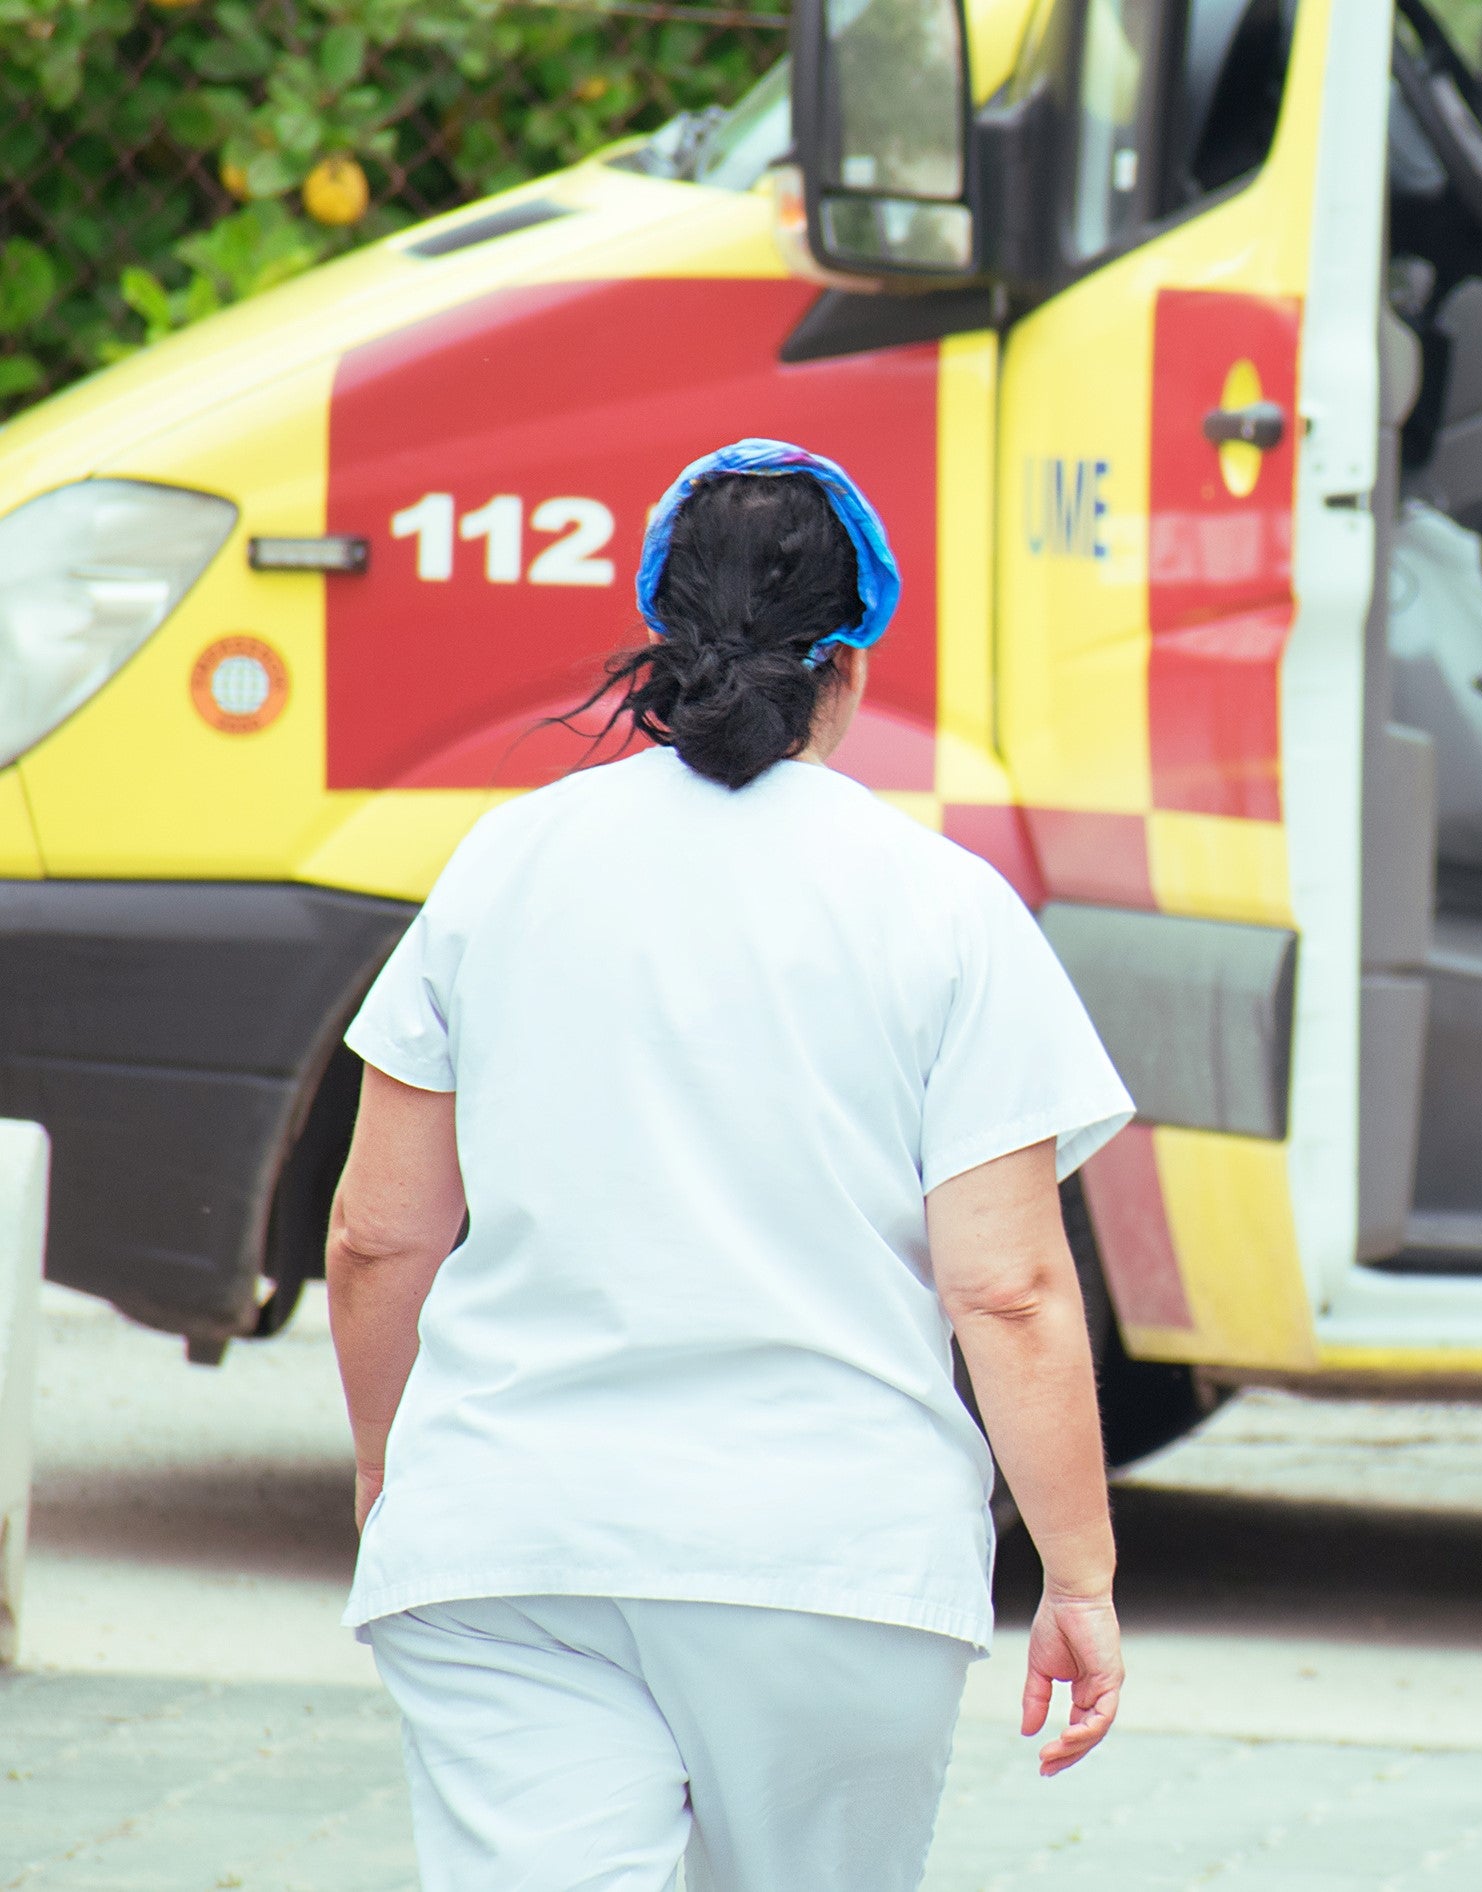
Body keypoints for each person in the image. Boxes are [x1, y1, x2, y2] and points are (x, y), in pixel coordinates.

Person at [323, 438, 1135, 1890]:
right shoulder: (945, 910)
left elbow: (378, 1240)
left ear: (660, 632)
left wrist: (396, 1474)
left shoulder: (500, 866)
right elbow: (1006, 1289)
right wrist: (1077, 1575)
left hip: (511, 1538)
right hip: (831, 1559)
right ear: (854, 663)